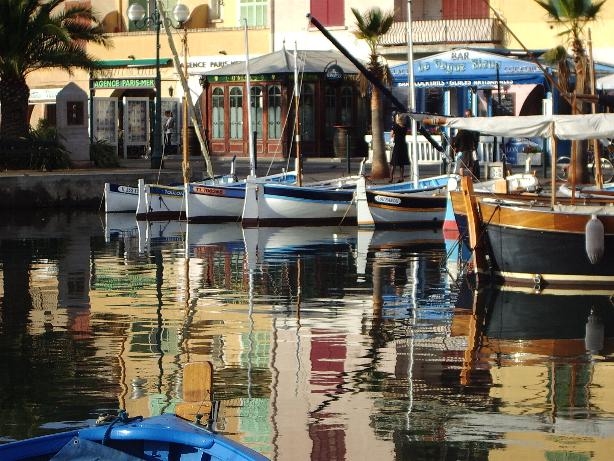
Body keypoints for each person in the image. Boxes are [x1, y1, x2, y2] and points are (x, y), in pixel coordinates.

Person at [452, 109, 480, 179]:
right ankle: (469, 177)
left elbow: (475, 137)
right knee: (469, 164)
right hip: (466, 149)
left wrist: (474, 146)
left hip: (469, 148)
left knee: (469, 164)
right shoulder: (464, 131)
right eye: (466, 115)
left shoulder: (474, 124)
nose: (467, 117)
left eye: (468, 115)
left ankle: (470, 177)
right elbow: (456, 141)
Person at [389, 113, 410, 182]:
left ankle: (391, 178)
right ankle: (401, 178)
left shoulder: (395, 126)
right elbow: (404, 134)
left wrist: (394, 135)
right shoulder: (405, 127)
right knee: (401, 163)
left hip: (397, 145)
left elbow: (391, 135)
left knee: (393, 162)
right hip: (403, 145)